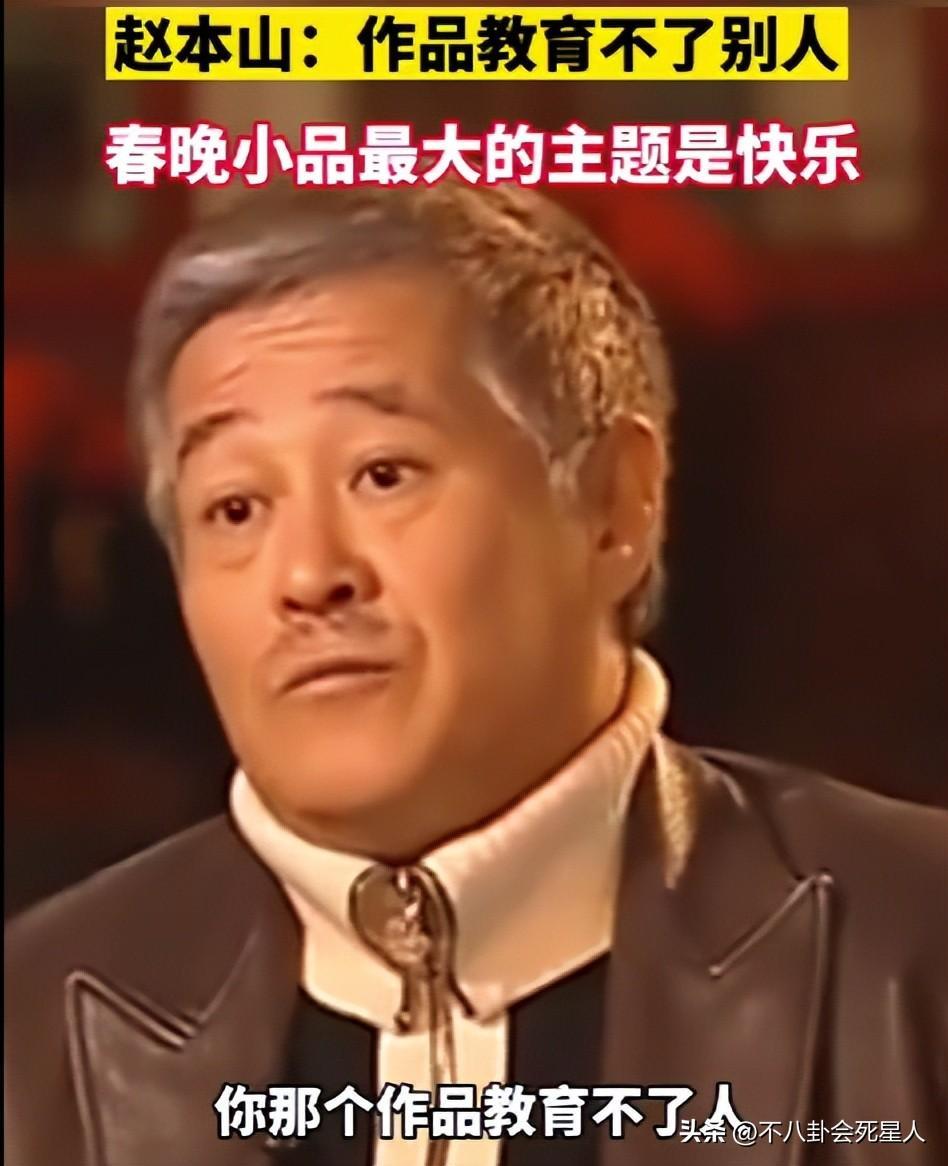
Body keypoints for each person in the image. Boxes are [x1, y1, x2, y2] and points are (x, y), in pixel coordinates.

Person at [5, 184, 946, 1166]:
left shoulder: (913, 956)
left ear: (613, 505)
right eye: (236, 508)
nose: (308, 576)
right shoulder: (32, 1024)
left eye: (383, 474)